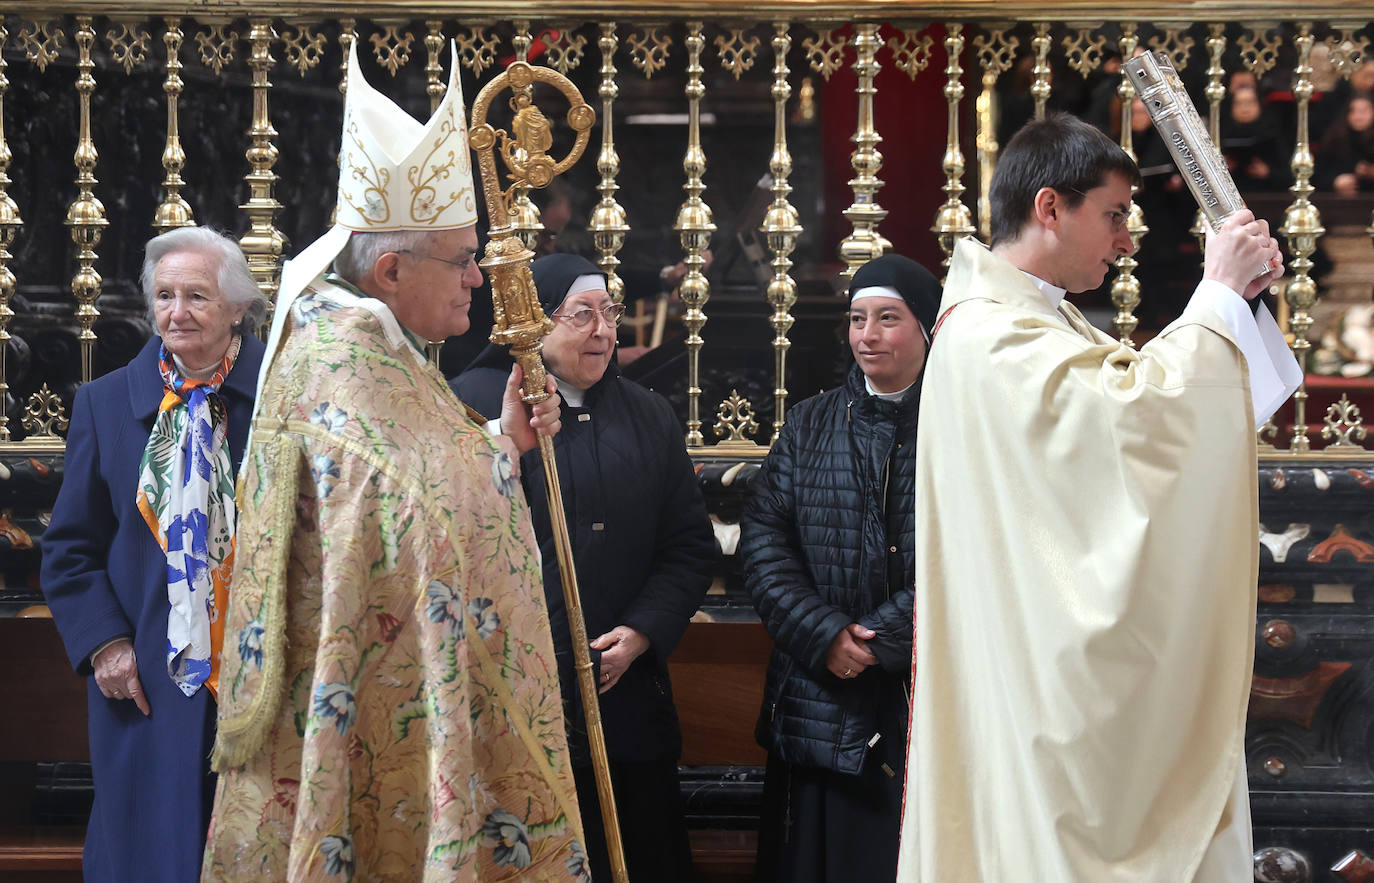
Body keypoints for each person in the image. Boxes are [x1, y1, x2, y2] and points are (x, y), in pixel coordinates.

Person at [201, 43, 587, 880]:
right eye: (462, 259)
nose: (479, 279)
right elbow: (422, 514)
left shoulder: (355, 340)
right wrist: (498, 461)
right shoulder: (349, 348)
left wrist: (504, 443)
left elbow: (405, 484)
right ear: (389, 267)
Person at [897, 113, 1302, 881]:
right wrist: (1214, 293)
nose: (1126, 240)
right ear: (1049, 207)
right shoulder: (988, 335)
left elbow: (1153, 418)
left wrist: (1237, 298)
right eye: (1114, 215)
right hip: (1037, 694)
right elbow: (1136, 421)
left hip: (1040, 672)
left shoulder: (1036, 317)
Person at [453, 253, 715, 883]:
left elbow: (688, 545)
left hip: (625, 696)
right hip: (520, 692)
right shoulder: (475, 407)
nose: (603, 331)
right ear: (536, 325)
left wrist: (642, 632)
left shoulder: (648, 414)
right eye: (582, 316)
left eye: (610, 313)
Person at [40, 226, 267, 881]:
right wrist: (104, 644)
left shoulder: (280, 399)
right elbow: (69, 549)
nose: (177, 312)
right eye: (165, 296)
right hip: (146, 684)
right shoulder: (106, 402)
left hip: (259, 680)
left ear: (236, 309)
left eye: (197, 296)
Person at [739, 254, 941, 882]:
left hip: (918, 688)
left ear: (928, 327)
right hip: (817, 687)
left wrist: (880, 640)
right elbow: (765, 541)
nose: (868, 336)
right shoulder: (808, 423)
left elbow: (972, 553)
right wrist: (825, 634)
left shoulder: (960, 426)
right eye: (857, 320)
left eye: (888, 319)